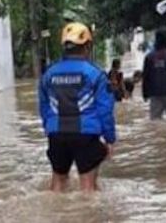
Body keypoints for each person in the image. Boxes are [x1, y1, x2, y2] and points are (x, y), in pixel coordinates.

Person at [38, 22, 116, 192]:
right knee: (88, 188)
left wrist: (49, 129)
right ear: (87, 46)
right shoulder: (96, 74)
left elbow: (44, 107)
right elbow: (105, 110)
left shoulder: (48, 74)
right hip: (86, 135)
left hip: (56, 134)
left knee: (57, 184)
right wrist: (109, 139)